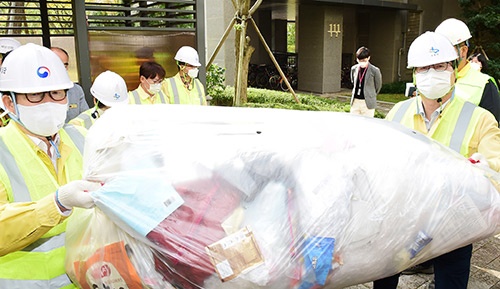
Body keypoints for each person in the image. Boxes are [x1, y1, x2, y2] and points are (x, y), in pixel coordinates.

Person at [372, 31, 500, 289]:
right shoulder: (398, 112)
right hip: (400, 220)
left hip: (453, 227)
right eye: (424, 68)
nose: (432, 73)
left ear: (453, 70)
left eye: (439, 66)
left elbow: (495, 170)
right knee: (383, 281)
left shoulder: (480, 118)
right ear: (415, 74)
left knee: (450, 283)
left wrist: (485, 170)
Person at [0, 43, 102, 288]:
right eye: (35, 95)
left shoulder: (82, 138)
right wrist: (57, 203)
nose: (49, 102)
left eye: (57, 93)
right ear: (10, 103)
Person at [435, 18, 500, 123]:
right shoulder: (431, 77)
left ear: (463, 51)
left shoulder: (484, 85)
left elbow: (491, 131)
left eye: (446, 49)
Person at [50, 47, 90, 123]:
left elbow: (86, 118)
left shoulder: (76, 90)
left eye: (65, 65)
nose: (62, 69)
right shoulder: (33, 92)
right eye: (57, 64)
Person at [349, 46, 382, 117]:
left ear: (368, 58)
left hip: (367, 102)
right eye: (359, 60)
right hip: (355, 101)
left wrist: (370, 94)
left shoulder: (375, 70)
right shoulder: (354, 69)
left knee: (367, 124)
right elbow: (353, 81)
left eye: (364, 60)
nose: (362, 62)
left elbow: (378, 86)